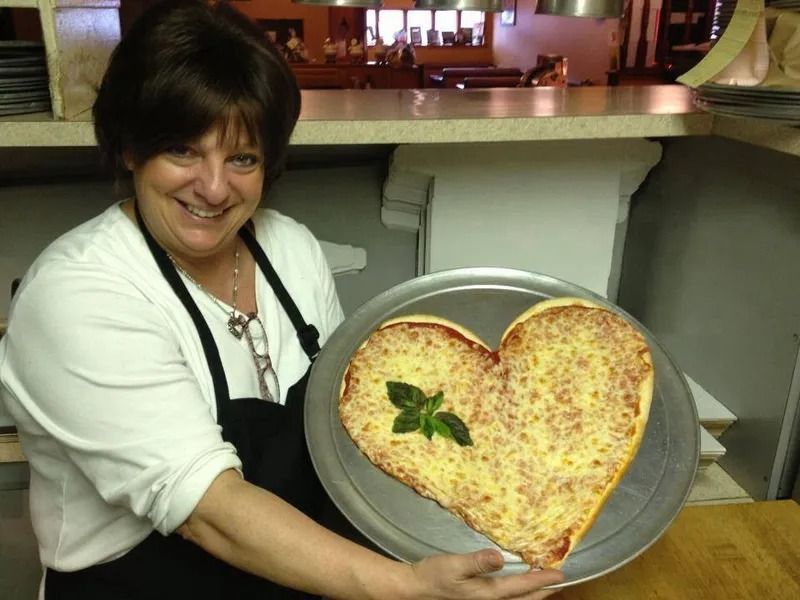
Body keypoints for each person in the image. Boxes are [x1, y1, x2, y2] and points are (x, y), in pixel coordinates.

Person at [0, 1, 564, 598]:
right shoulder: (78, 294)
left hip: (298, 575)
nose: (214, 188)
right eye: (183, 151)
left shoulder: (291, 250)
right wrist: (408, 587)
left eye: (241, 157)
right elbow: (206, 510)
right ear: (131, 149)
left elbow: (350, 433)